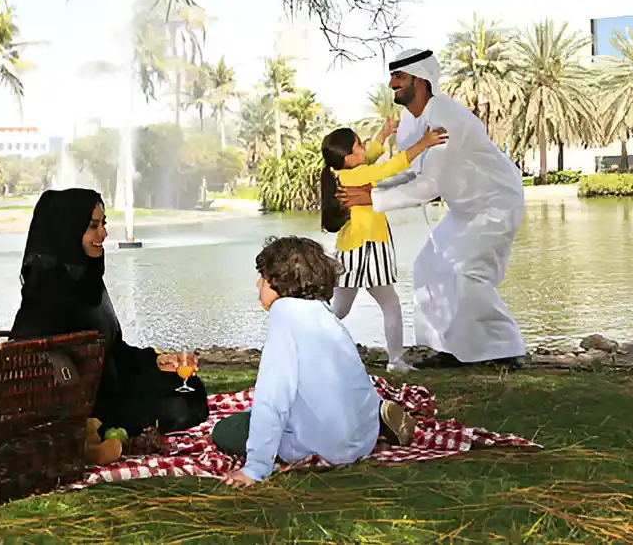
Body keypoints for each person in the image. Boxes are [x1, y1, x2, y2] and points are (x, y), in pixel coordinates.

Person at [337, 48, 528, 369]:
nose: (392, 83)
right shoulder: (416, 121)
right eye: (392, 76)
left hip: (494, 203)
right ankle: (448, 348)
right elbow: (414, 172)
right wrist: (370, 187)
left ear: (420, 80)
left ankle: (504, 350)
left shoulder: (447, 118)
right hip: (464, 208)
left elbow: (429, 186)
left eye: (399, 77)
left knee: (468, 273)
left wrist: (371, 200)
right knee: (429, 267)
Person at [214, 236, 417, 488]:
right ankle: (377, 414)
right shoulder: (323, 313)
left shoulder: (283, 316)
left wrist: (255, 468)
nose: (258, 284)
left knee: (226, 430)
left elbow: (272, 397)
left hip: (326, 447)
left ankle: (363, 419)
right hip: (362, 440)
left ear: (280, 282)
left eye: (263, 278)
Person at [10, 188, 209, 435]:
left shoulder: (88, 281)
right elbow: (29, 360)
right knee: (181, 407)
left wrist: (155, 361)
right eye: (93, 226)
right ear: (67, 231)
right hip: (83, 408)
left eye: (103, 224)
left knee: (189, 387)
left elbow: (111, 348)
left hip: (114, 386)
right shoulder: (44, 295)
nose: (103, 234)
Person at [318, 119, 448, 372]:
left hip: (350, 250)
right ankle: (395, 360)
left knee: (339, 310)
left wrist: (383, 135)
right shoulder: (358, 174)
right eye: (358, 144)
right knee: (389, 305)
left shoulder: (346, 173)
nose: (364, 146)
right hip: (368, 250)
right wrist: (424, 143)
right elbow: (391, 166)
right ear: (348, 156)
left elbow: (372, 157)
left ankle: (311, 343)